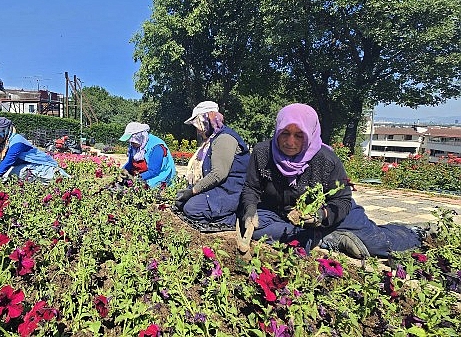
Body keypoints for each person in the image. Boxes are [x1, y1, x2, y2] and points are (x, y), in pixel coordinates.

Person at [237, 103, 423, 258]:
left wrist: (321, 216)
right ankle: (326, 239)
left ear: (309, 134)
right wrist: (250, 211)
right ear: (277, 130)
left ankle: (414, 232)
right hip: (280, 213)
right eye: (285, 133)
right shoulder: (262, 153)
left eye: (299, 135)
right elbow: (251, 188)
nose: (290, 142)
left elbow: (342, 200)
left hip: (331, 215)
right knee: (258, 229)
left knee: (379, 246)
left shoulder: (326, 160)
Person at [173, 101, 251, 232]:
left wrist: (193, 191)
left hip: (230, 192)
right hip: (220, 190)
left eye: (198, 125)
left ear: (206, 120)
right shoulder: (213, 138)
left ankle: (232, 219)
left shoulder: (224, 138)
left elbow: (218, 174)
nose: (197, 130)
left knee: (192, 209)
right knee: (183, 203)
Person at [0, 117, 69, 183]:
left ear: (5, 131)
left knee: (19, 173)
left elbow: (9, 160)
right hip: (17, 166)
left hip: (37, 166)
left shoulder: (17, 141)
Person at [119, 122, 176, 188]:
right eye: (130, 142)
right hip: (141, 175)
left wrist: (135, 179)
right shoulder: (134, 146)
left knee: (145, 189)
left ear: (139, 138)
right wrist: (121, 172)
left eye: (133, 142)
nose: (131, 144)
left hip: (158, 177)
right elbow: (130, 164)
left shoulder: (156, 147)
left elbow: (153, 171)